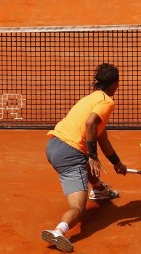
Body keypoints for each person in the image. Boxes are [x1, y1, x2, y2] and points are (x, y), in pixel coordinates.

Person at [41, 63, 128, 252]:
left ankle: (99, 189)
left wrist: (117, 163)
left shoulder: (91, 98)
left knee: (84, 163)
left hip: (54, 145)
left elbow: (101, 137)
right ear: (115, 84)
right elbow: (90, 125)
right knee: (78, 210)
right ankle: (59, 231)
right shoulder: (107, 102)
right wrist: (92, 155)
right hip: (70, 155)